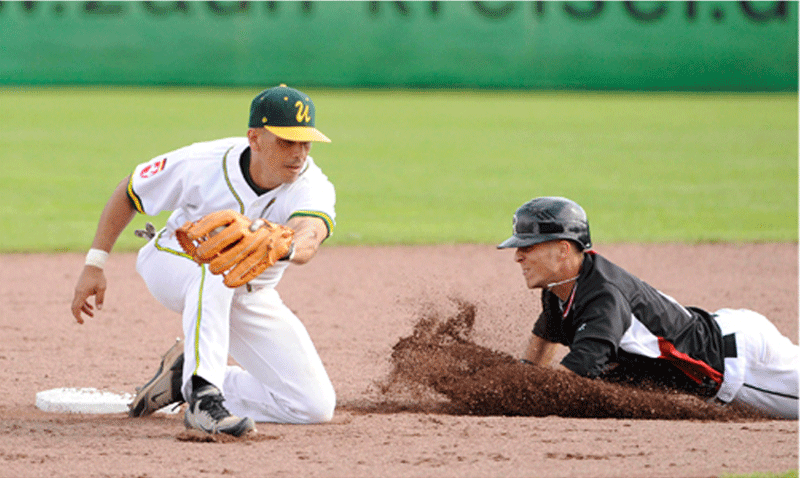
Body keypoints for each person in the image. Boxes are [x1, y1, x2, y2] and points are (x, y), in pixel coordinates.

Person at [71, 85, 337, 436]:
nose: (299, 153)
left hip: (249, 292)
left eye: (306, 142)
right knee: (218, 265)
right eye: (287, 141)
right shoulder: (202, 163)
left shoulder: (311, 183)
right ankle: (203, 397)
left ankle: (184, 377)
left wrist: (285, 247)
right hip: (172, 261)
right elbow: (130, 192)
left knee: (313, 406)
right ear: (255, 139)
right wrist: (95, 263)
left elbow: (310, 233)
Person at [498, 196, 798, 419]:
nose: (518, 256)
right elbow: (543, 344)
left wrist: (500, 393)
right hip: (723, 332)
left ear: (564, 249)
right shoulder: (561, 286)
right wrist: (520, 378)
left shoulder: (603, 299)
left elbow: (572, 379)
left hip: (744, 367)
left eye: (528, 246)